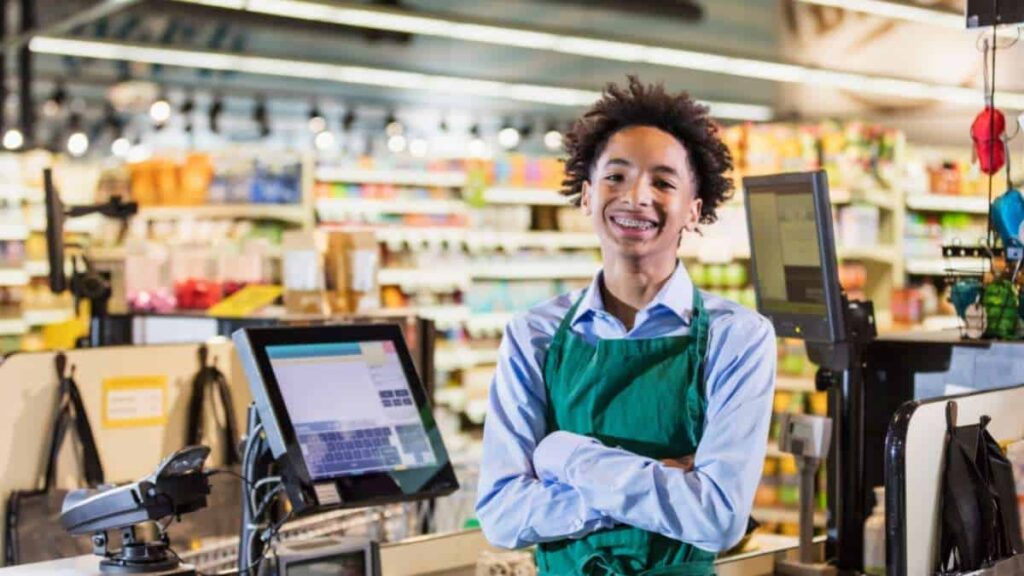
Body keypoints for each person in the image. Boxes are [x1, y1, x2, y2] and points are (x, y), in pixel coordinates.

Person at [474, 76, 777, 575]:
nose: (636, 197)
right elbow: (502, 514)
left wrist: (566, 457)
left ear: (693, 211)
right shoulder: (535, 335)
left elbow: (720, 517)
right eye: (616, 177)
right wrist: (662, 483)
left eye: (663, 181)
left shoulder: (736, 338)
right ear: (587, 196)